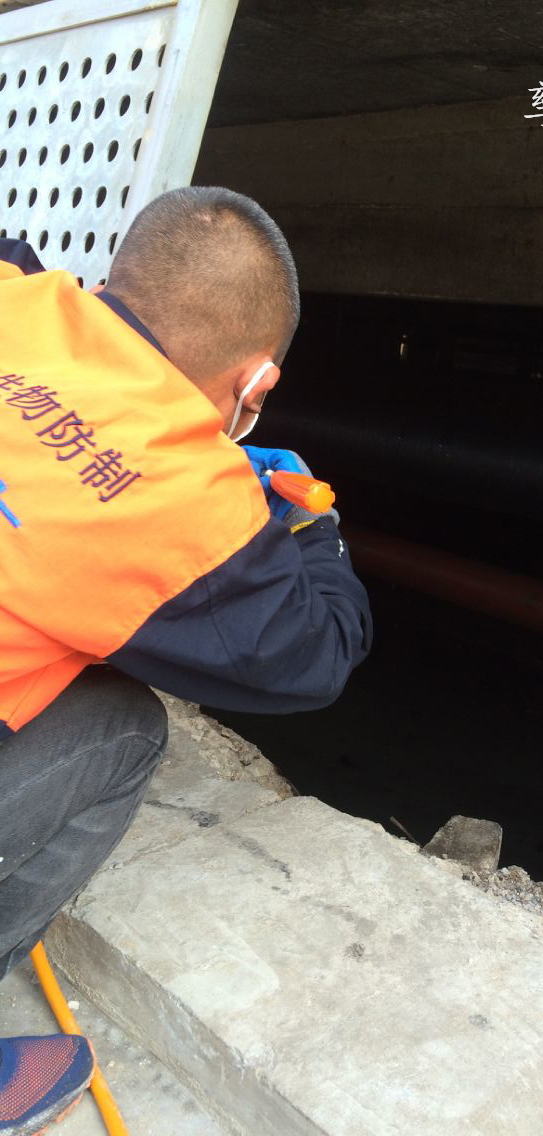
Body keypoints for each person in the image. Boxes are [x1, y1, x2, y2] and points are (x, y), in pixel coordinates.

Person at [0, 187, 372, 1133]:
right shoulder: (186, 506)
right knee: (124, 727)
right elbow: (319, 651)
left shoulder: (14, 293)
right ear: (257, 385)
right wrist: (307, 519)